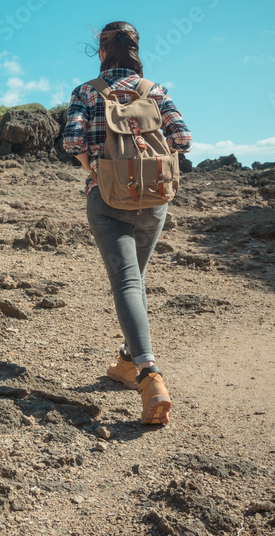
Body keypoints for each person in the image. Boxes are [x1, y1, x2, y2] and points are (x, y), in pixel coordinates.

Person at [62, 21, 192, 425]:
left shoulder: (87, 91)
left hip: (107, 197)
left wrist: (93, 168)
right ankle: (124, 361)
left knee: (127, 283)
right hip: (154, 201)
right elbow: (183, 138)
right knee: (134, 280)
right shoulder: (156, 90)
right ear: (135, 50)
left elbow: (71, 140)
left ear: (102, 52)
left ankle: (149, 373)